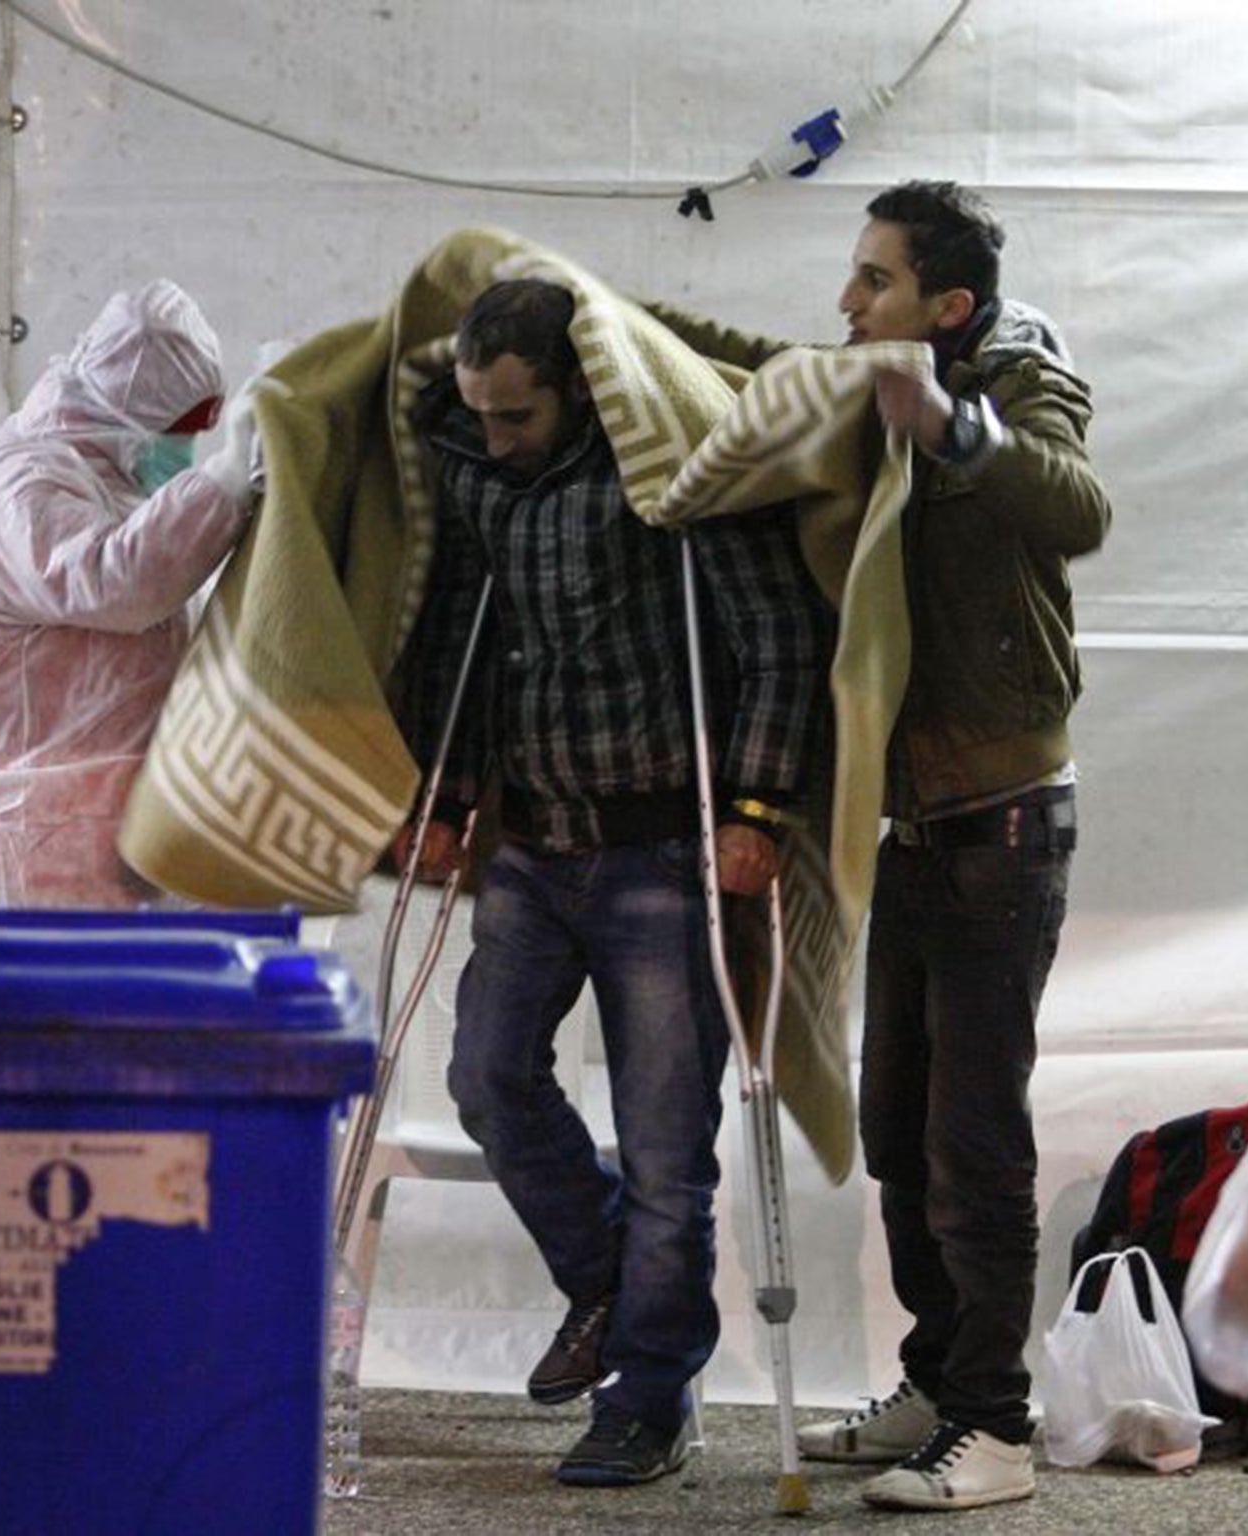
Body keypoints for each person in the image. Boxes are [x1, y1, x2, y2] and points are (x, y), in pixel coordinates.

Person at [650, 180, 1112, 1510]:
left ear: (949, 309)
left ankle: (995, 1427)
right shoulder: (856, 392)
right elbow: (741, 371)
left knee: (975, 1142)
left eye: (874, 282)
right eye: (850, 276)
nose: (846, 301)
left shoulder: (1021, 383)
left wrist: (957, 429)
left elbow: (1077, 507)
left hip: (1003, 821)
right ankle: (939, 1378)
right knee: (905, 1133)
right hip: (909, 823)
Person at [407, 278, 832, 1487]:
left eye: (517, 416)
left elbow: (781, 641)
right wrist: (440, 801)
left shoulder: (674, 473)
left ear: (581, 391)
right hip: (533, 848)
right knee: (486, 1078)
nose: (493, 438)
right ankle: (606, 1277)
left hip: (661, 848)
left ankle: (649, 1395)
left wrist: (754, 808)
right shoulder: (472, 470)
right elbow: (452, 636)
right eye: (481, 415)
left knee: (666, 1148)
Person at [0, 279, 258, 908]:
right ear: (118, 413)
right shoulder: (12, 490)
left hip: (83, 836)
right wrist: (231, 476)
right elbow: (115, 579)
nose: (186, 448)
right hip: (21, 848)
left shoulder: (103, 481)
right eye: (179, 430)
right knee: (46, 1007)